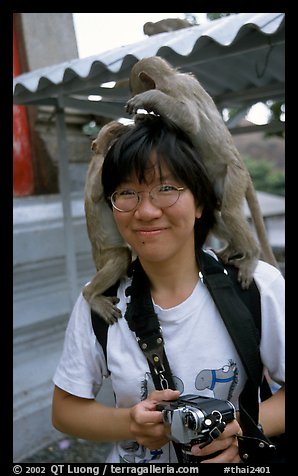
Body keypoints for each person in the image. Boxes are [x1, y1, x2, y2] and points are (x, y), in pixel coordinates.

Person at [52, 114, 285, 464]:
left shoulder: (256, 286)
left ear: (200, 203)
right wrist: (129, 423)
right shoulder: (101, 300)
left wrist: (242, 428)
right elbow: (64, 410)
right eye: (126, 193)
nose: (145, 211)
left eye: (166, 189)